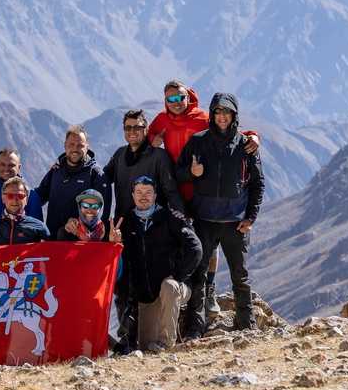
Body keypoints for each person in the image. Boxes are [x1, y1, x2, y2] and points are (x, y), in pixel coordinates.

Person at [148, 80, 259, 319]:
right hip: (176, 194)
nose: (176, 103)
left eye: (180, 98)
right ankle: (181, 302)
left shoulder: (202, 117)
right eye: (171, 99)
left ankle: (209, 292)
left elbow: (233, 130)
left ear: (189, 97)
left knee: (212, 253)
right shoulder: (161, 121)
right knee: (185, 247)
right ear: (165, 101)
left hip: (204, 199)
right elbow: (147, 141)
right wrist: (153, 143)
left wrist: (254, 136)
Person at [176, 93, 265, 336]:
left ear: (234, 115)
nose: (222, 117)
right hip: (204, 220)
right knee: (199, 275)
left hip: (235, 222)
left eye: (227, 112)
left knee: (240, 275)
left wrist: (250, 218)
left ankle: (246, 324)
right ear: (212, 115)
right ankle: (195, 328)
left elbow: (258, 184)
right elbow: (178, 173)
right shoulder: (198, 141)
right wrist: (191, 172)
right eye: (217, 112)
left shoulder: (246, 146)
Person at [111, 176, 203, 352]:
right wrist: (115, 244)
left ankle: (167, 344)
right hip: (148, 296)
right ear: (132, 195)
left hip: (175, 287)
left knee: (169, 287)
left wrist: (178, 276)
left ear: (155, 196)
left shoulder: (169, 218)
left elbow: (196, 248)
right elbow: (120, 262)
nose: (143, 196)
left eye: (148, 192)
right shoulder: (127, 222)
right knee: (145, 346)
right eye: (139, 192)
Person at [104, 110, 183, 220]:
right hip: (122, 224)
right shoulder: (119, 154)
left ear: (146, 129)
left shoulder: (159, 156)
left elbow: (171, 192)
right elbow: (103, 179)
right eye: (128, 128)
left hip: (152, 225)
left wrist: (181, 218)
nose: (132, 131)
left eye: (137, 127)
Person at [36, 125, 111, 237]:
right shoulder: (56, 171)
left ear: (87, 147)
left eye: (80, 145)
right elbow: (39, 196)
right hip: (53, 241)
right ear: (65, 145)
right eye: (71, 144)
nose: (75, 149)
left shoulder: (96, 175)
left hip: (81, 245)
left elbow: (103, 215)